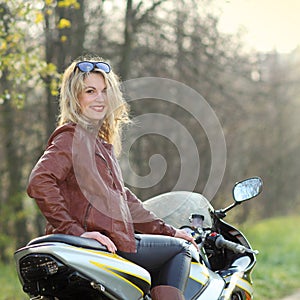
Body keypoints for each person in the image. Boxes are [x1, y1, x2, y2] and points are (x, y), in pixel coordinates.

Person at [27, 55, 197, 300]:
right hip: (101, 244)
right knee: (180, 250)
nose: (100, 98)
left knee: (171, 246)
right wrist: (75, 231)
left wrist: (168, 231)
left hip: (107, 239)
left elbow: (124, 201)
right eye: (90, 91)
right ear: (75, 98)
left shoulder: (95, 143)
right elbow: (40, 181)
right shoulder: (71, 137)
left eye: (105, 91)